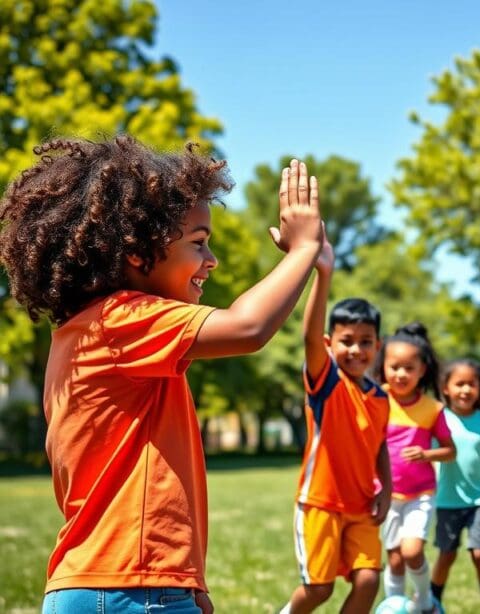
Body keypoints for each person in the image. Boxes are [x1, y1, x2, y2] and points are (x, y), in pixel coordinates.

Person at [0, 137, 324, 614]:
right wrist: (304, 250)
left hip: (101, 585)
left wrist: (187, 582)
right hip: (131, 588)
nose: (211, 260)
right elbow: (248, 327)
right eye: (198, 242)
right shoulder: (123, 319)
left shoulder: (88, 332)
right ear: (137, 251)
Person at [280, 237, 392, 614]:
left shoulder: (380, 397)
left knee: (369, 578)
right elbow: (309, 334)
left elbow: (379, 448)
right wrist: (322, 273)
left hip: (361, 506)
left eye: (366, 342)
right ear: (330, 344)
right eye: (347, 341)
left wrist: (386, 489)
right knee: (318, 589)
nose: (357, 350)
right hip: (321, 504)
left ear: (377, 346)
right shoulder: (326, 382)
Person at [373, 322, 456, 614]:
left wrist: (426, 453)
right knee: (394, 558)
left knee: (412, 551)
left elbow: (450, 451)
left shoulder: (433, 409)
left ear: (423, 370)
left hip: (420, 495)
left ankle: (424, 604)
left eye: (409, 368)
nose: (400, 374)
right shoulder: (375, 398)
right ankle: (392, 606)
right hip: (385, 495)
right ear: (383, 366)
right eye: (394, 366)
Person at [430, 358, 480, 614]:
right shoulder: (438, 419)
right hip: (447, 500)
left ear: (479, 389)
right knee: (446, 555)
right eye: (459, 383)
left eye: (471, 384)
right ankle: (432, 602)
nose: (465, 389)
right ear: (446, 388)